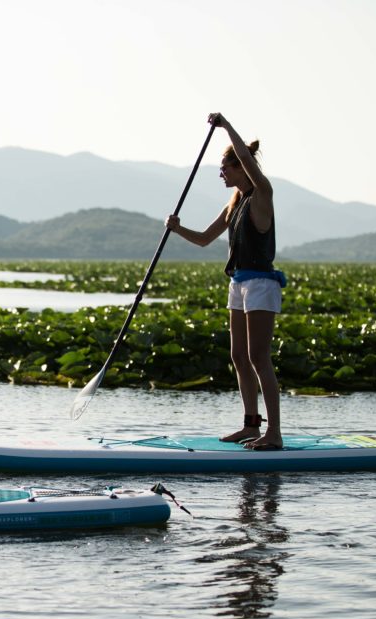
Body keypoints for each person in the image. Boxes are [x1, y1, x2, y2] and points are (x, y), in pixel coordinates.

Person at [165, 112, 284, 450]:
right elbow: (204, 238)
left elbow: (246, 157)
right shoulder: (233, 203)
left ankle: (273, 432)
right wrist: (176, 228)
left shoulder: (262, 193)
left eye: (225, 168)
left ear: (241, 169)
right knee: (238, 355)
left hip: (261, 283)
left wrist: (226, 125)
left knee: (259, 356)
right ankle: (250, 425)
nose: (221, 173)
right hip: (238, 284)